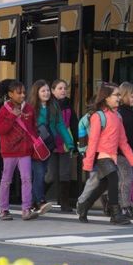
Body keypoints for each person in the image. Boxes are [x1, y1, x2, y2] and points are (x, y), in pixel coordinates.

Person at [77, 83, 133, 225]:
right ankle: (115, 214)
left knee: (102, 185)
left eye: (119, 95)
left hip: (112, 156)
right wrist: (88, 163)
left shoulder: (118, 116)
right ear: (106, 98)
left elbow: (123, 141)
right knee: (114, 178)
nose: (119, 97)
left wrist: (132, 159)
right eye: (116, 95)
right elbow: (93, 141)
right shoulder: (98, 116)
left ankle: (84, 206)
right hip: (102, 156)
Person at [0, 80, 38, 221]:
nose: (22, 95)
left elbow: (33, 128)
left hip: (25, 150)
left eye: (24, 92)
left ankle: (26, 209)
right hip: (9, 151)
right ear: (10, 94)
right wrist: (13, 116)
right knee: (6, 180)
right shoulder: (4, 110)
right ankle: (4, 210)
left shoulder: (29, 109)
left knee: (26, 179)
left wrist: (33, 144)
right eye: (19, 93)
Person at [28, 80, 74, 215]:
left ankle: (33, 201)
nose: (46, 93)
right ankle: (39, 201)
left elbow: (60, 125)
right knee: (40, 174)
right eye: (43, 91)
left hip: (49, 145)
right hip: (36, 146)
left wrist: (69, 142)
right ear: (36, 93)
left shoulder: (54, 106)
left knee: (41, 174)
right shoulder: (31, 108)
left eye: (47, 90)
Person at [50, 79, 77, 213]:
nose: (63, 91)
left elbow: (74, 124)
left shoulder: (68, 105)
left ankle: (65, 203)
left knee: (65, 174)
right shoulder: (48, 105)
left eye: (65, 88)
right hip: (51, 143)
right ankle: (36, 200)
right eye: (60, 88)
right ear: (53, 91)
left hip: (66, 144)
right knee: (50, 175)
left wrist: (75, 143)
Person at [116, 81, 133, 220]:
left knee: (125, 179)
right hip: (123, 153)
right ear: (124, 96)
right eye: (132, 96)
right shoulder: (123, 114)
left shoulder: (129, 113)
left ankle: (122, 205)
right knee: (126, 179)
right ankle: (124, 207)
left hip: (129, 152)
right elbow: (128, 137)